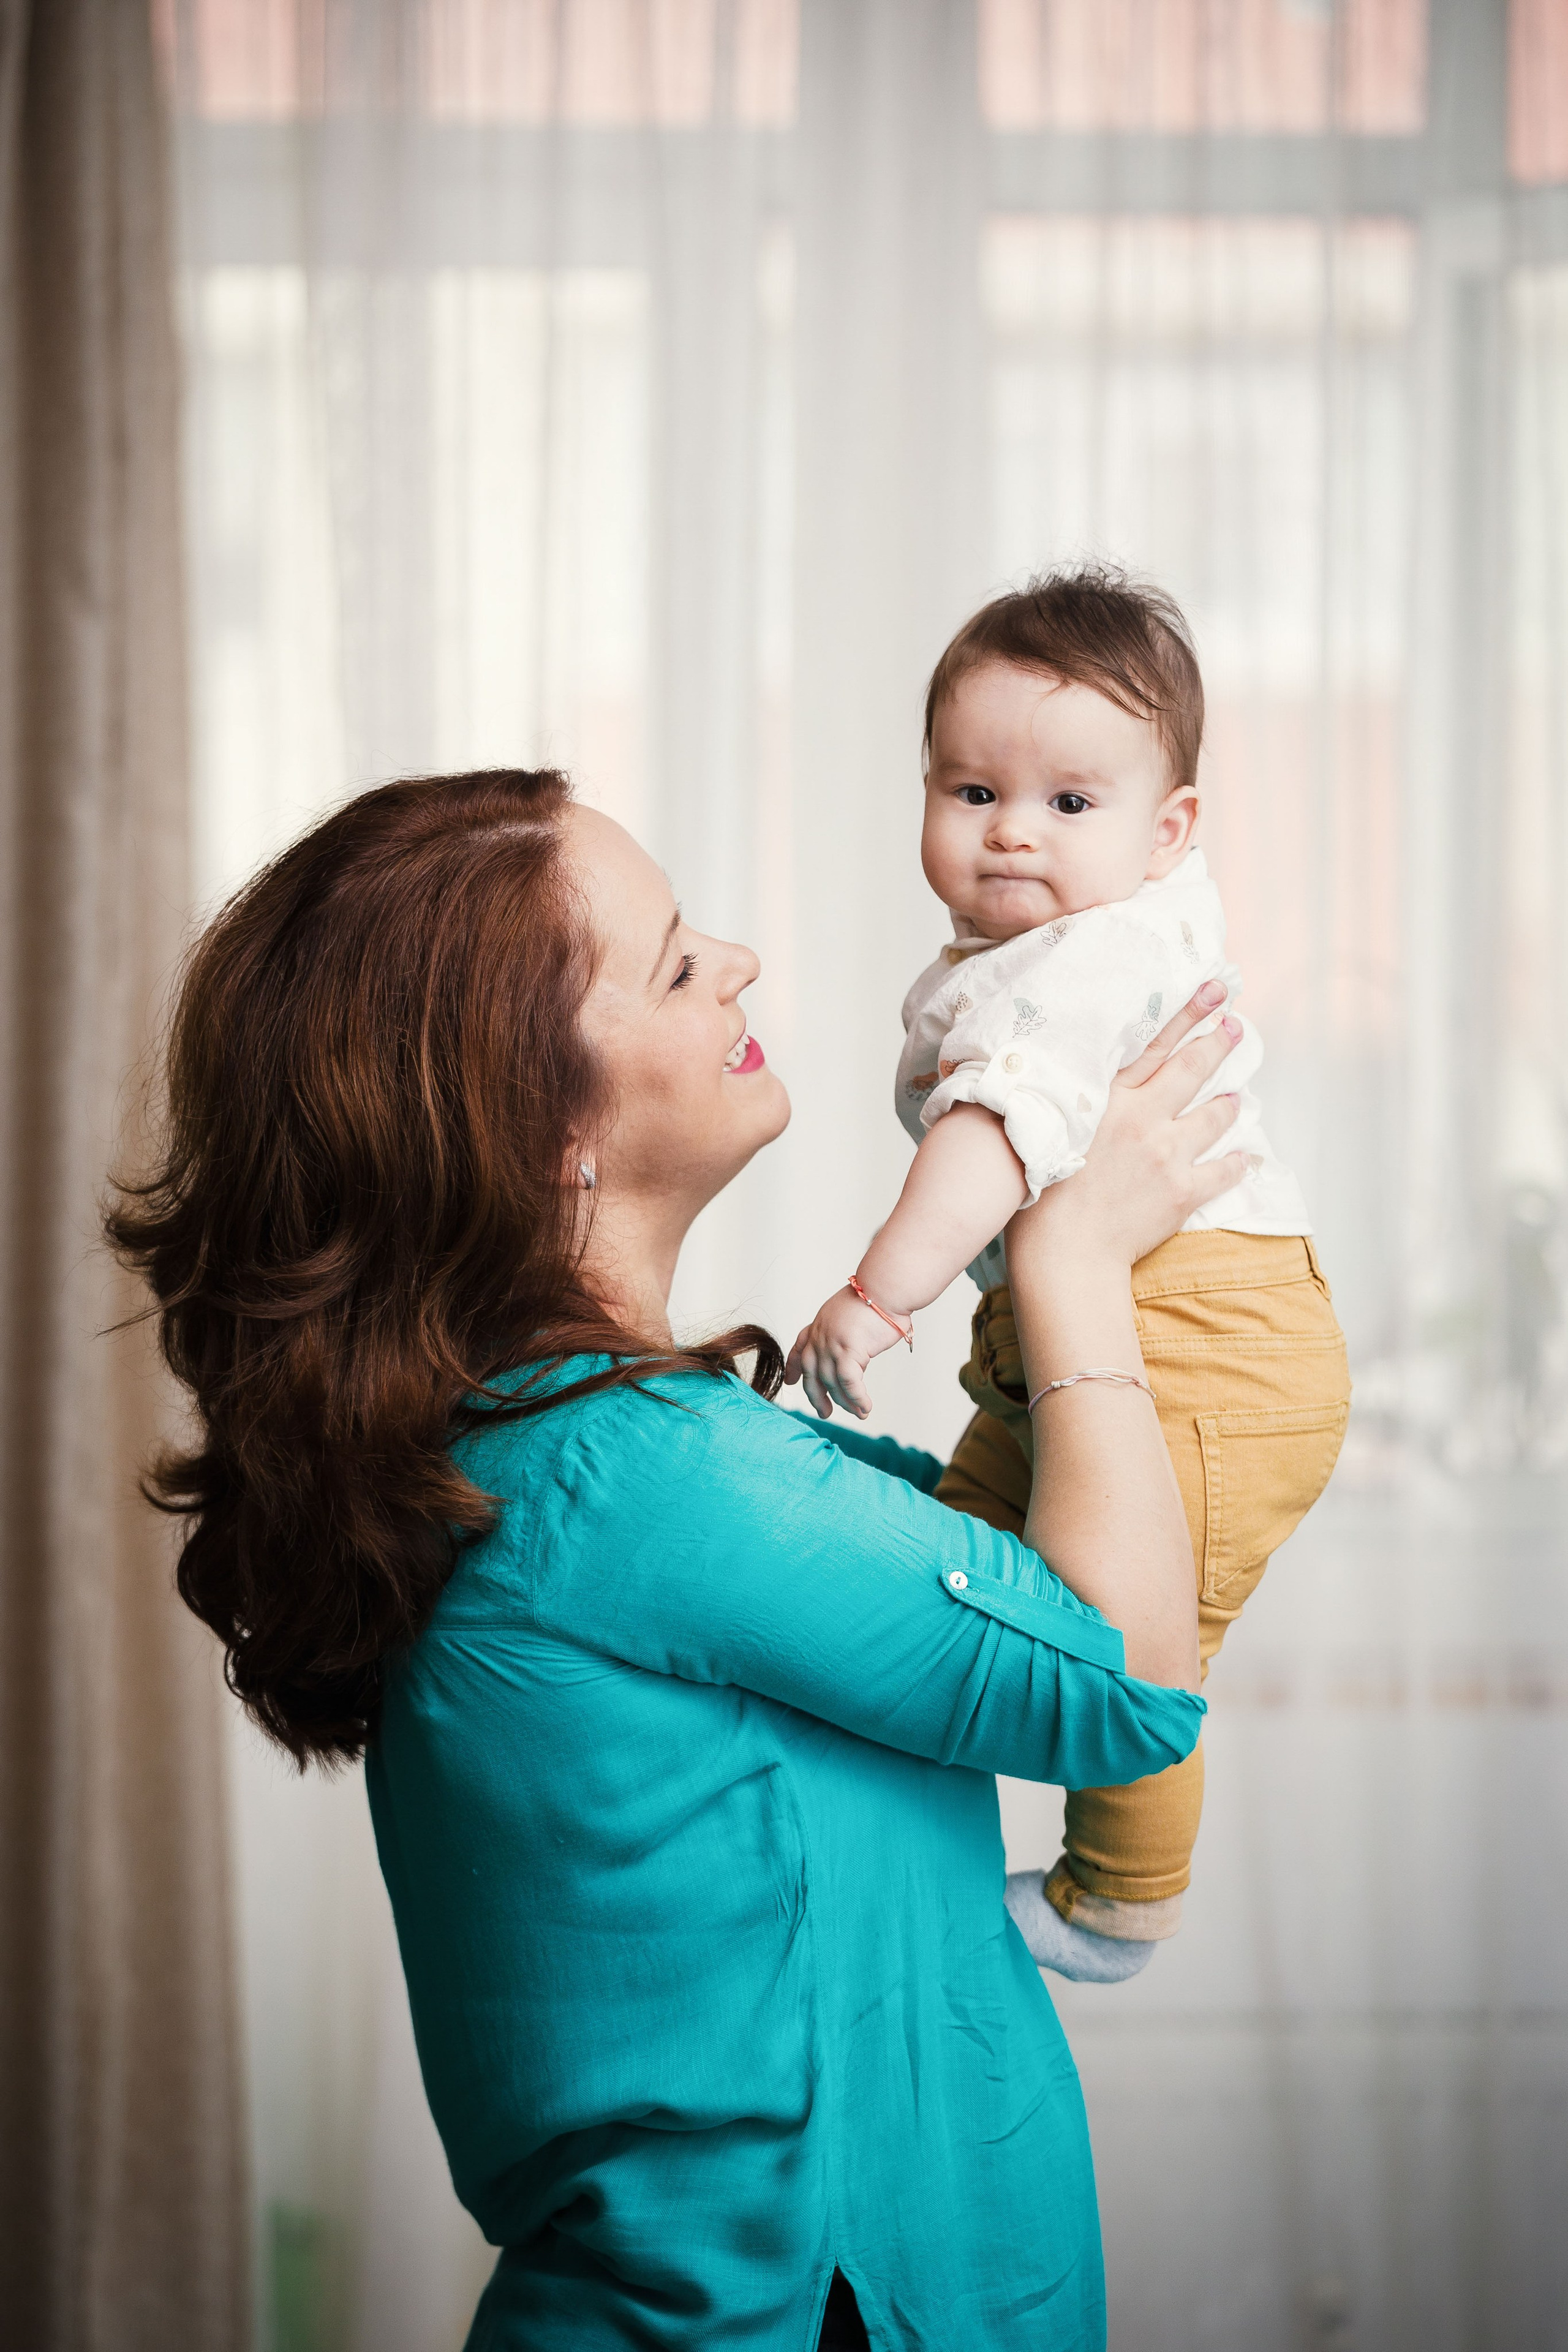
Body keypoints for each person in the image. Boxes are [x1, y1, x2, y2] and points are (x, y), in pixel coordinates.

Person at [109, 767, 1251, 2350]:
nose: (739, 962)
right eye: (669, 961)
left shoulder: (573, 1445)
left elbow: (1009, 1575)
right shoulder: (633, 1479)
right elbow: (1124, 1686)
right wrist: (1071, 1260)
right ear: (546, 1127)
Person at [789, 570, 1351, 1982]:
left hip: (1207, 1358)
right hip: (1081, 1345)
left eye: (1067, 804)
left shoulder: (1073, 969)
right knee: (961, 1564)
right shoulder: (1111, 922)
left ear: (1166, 834)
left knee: (1136, 1653)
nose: (1012, 833)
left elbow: (990, 1139)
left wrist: (876, 1291)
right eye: (970, 791)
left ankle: (1117, 1902)